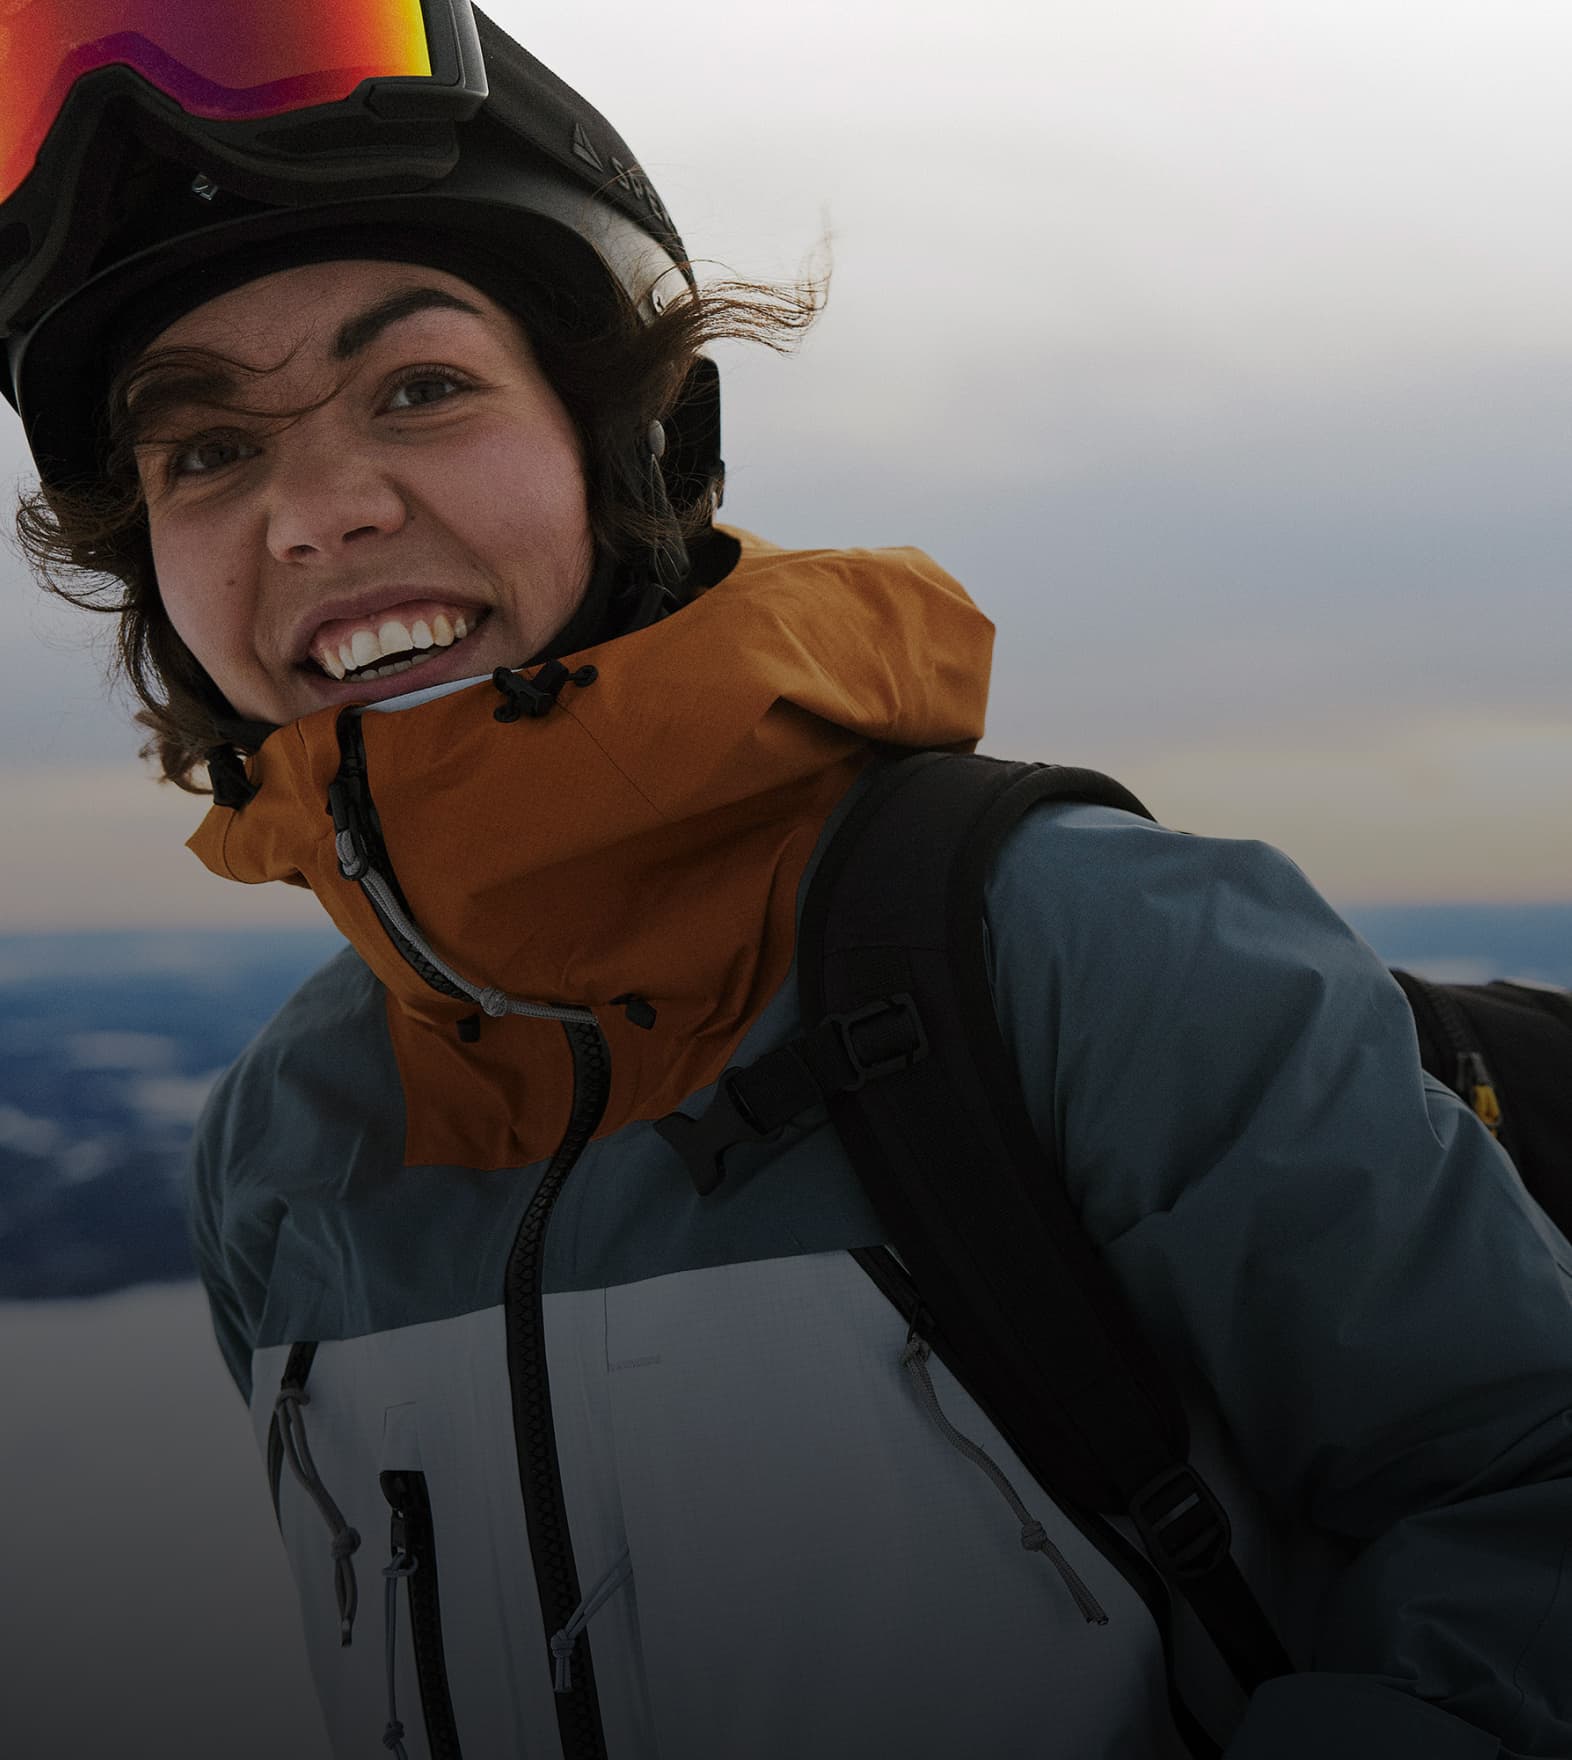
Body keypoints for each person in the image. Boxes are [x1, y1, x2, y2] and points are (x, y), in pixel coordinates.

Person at [4, 6, 1569, 1758]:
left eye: (421, 387)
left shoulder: (1075, 947)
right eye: (205, 448)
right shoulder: (292, 1137)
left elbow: (1526, 1509)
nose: (317, 509)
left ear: (640, 449)